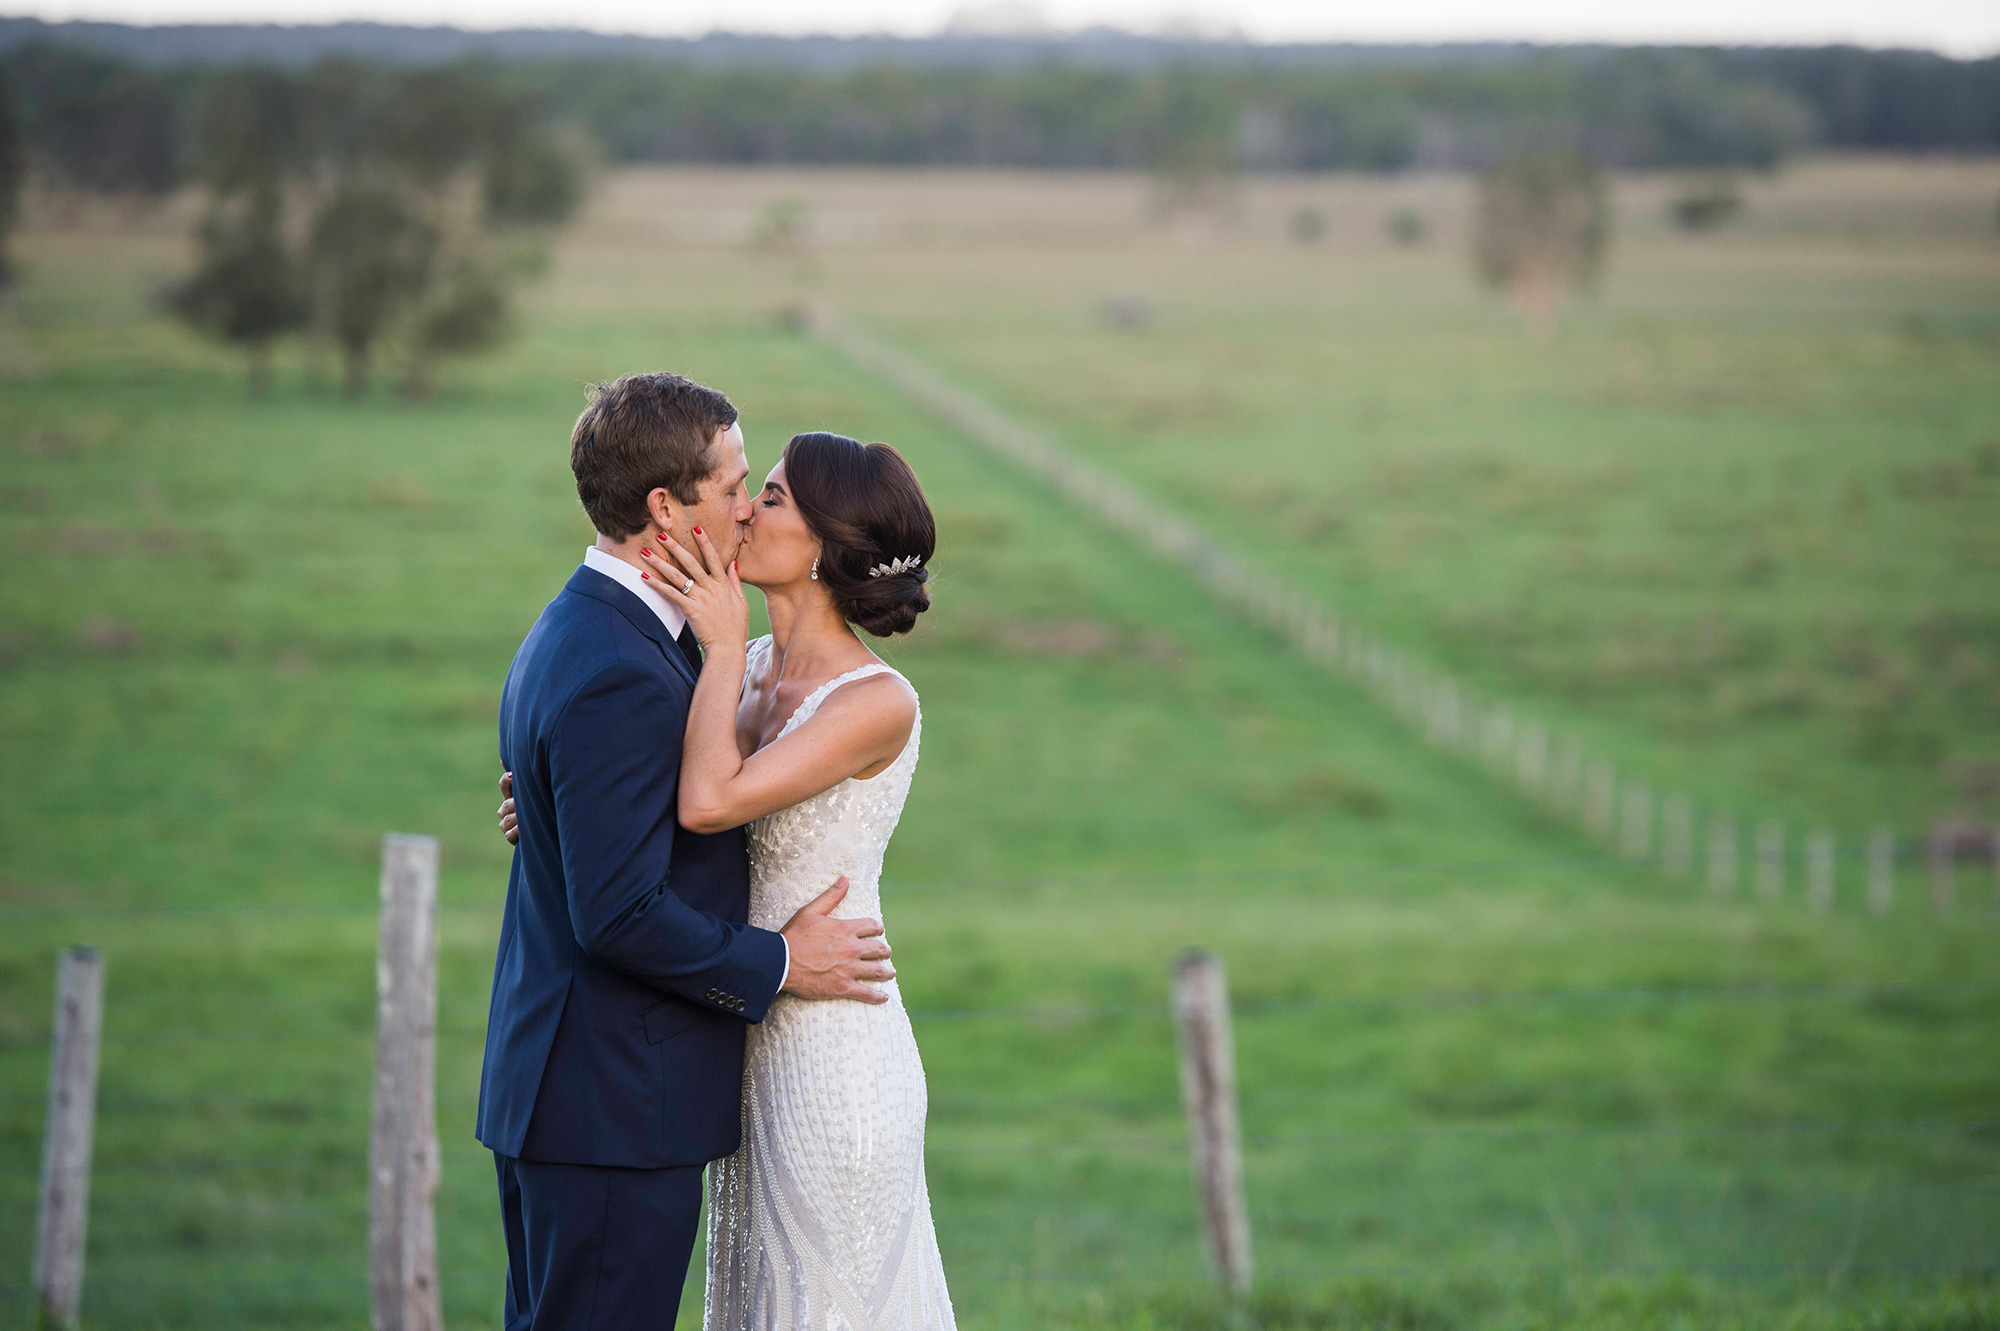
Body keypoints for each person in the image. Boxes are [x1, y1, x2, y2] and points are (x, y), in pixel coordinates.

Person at [488, 374, 956, 1329]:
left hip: (826, 1043)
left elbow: (694, 802)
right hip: (700, 1047)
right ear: (667, 505)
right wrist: (555, 816)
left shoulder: (856, 695)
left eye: (768, 493)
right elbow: (645, 835)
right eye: (746, 484)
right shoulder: (716, 665)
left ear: (825, 548)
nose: (746, 507)